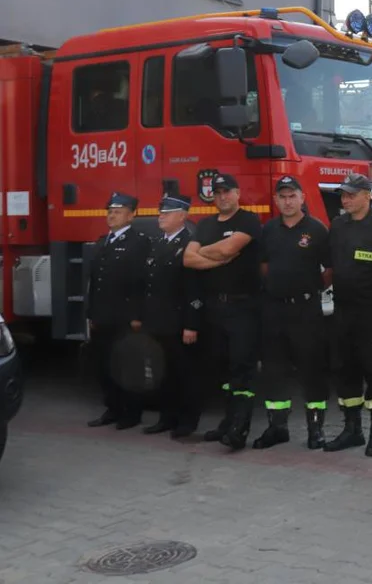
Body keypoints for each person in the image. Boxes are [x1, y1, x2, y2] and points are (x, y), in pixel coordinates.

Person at [252, 177, 333, 450]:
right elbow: (263, 265)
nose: (287, 202)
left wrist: (310, 288)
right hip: (274, 309)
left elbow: (329, 269)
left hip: (305, 310)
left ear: (302, 198)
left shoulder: (317, 229)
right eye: (283, 197)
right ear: (276, 200)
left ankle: (315, 429)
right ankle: (277, 427)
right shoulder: (268, 230)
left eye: (292, 196)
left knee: (312, 368)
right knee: (274, 369)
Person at [184, 173, 263, 451]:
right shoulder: (205, 224)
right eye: (217, 193)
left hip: (243, 307)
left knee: (242, 368)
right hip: (214, 307)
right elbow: (188, 259)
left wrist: (208, 253)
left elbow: (229, 248)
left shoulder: (248, 220)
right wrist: (219, 259)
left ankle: (239, 430)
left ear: (237, 193)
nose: (222, 197)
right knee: (222, 369)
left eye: (227, 191)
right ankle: (227, 423)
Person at [325, 173, 372, 455]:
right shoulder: (338, 226)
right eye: (343, 195)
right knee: (345, 370)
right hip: (342, 311)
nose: (345, 200)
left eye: (351, 195)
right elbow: (329, 266)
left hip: (370, 313)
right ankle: (351, 429)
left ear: (367, 196)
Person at [86, 192, 151, 430]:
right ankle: (112, 409)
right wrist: (92, 314)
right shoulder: (103, 242)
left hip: (125, 317)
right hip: (103, 316)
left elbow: (141, 284)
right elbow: (96, 282)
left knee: (128, 366)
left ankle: (132, 413)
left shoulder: (139, 242)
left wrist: (137, 316)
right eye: (110, 212)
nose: (112, 216)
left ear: (131, 216)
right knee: (104, 366)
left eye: (118, 212)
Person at [142, 194, 203, 439]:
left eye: (166, 213)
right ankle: (166, 418)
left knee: (185, 374)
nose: (161, 217)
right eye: (161, 213)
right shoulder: (157, 243)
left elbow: (194, 289)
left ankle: (187, 421)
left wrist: (191, 324)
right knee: (163, 373)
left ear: (182, 216)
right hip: (159, 321)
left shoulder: (190, 244)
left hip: (179, 322)